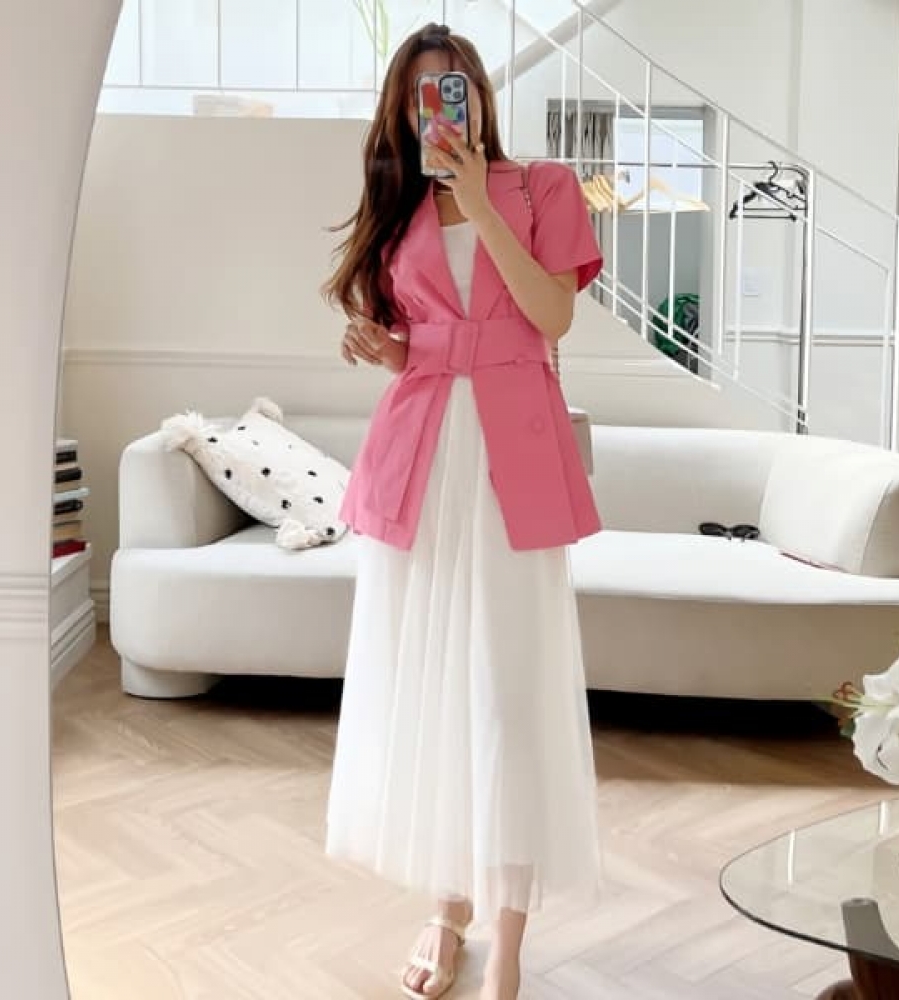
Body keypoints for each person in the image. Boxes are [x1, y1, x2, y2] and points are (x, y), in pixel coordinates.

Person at [322, 22, 603, 1000]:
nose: (438, 103)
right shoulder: (398, 209)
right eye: (420, 92)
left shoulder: (542, 188)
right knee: (436, 693)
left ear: (480, 93)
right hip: (421, 459)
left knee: (508, 697)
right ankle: (445, 911)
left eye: (454, 85)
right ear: (403, 113)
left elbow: (550, 318)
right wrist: (387, 349)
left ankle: (509, 939)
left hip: (510, 462)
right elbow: (428, 343)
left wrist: (480, 203)